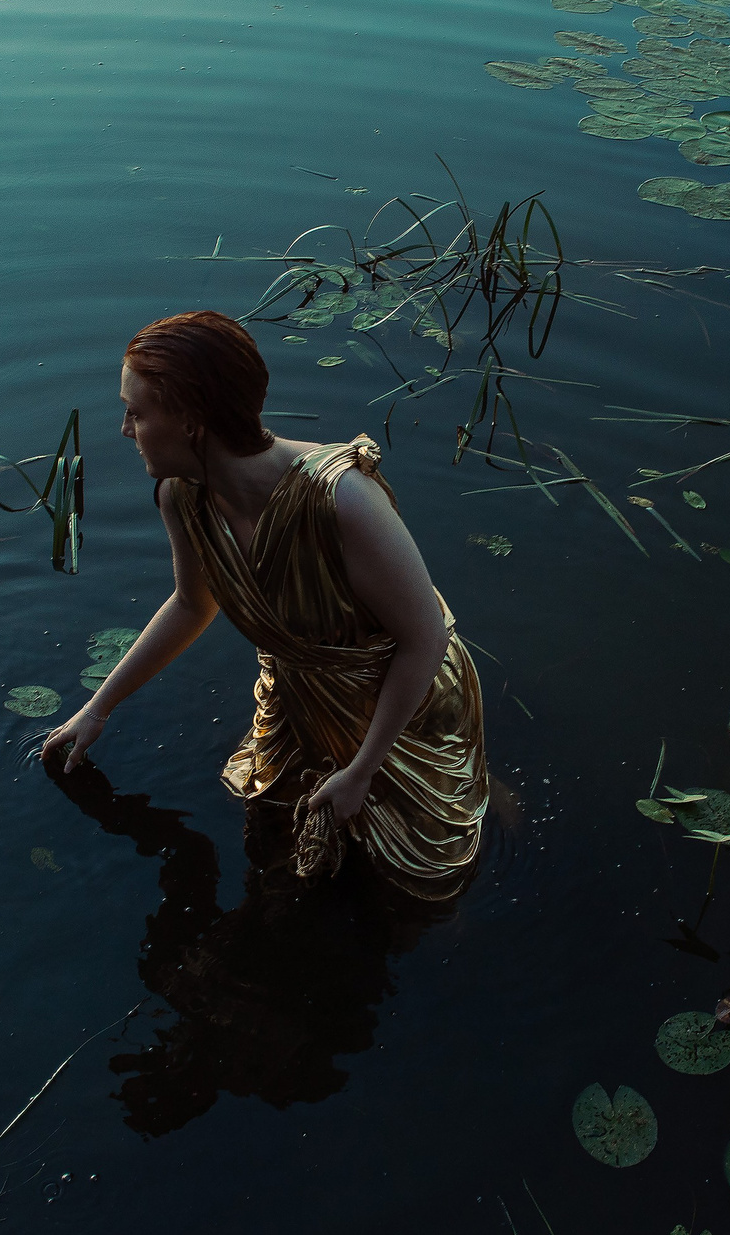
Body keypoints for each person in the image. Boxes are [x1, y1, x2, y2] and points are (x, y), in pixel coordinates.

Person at [40, 310, 488, 902]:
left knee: (418, 881)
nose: (125, 428)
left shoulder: (343, 500)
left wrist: (362, 770)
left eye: (136, 411)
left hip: (401, 700)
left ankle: (482, 796)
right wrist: (99, 707)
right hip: (298, 696)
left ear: (192, 422)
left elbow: (425, 639)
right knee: (274, 841)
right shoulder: (183, 496)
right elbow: (191, 604)